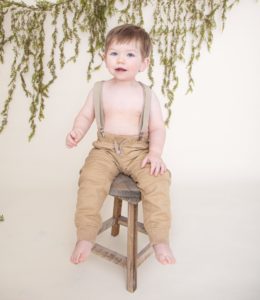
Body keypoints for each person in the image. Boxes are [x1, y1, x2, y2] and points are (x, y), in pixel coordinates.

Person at [66, 24, 176, 265]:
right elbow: (86, 115)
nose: (121, 60)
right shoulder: (100, 89)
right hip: (105, 149)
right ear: (104, 57)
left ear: (144, 63)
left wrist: (155, 153)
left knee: (158, 180)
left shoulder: (147, 95)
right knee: (90, 181)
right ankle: (86, 235)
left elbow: (157, 128)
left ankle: (159, 239)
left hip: (139, 151)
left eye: (130, 54)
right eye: (114, 53)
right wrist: (77, 131)